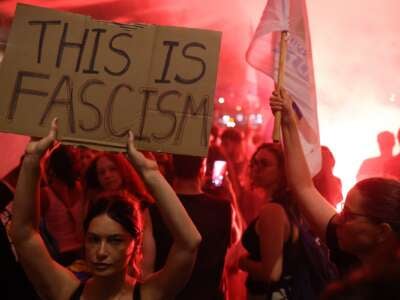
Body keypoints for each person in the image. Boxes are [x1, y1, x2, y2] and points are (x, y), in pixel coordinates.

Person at [10, 119, 201, 300]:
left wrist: (150, 173)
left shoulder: (149, 295)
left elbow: (189, 243)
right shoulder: (65, 290)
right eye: (93, 239)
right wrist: (32, 160)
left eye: (115, 241)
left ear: (134, 244)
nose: (101, 252)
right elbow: (24, 234)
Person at [270, 88, 400, 276]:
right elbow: (303, 188)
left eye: (349, 215)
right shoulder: (349, 248)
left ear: (382, 232)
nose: (338, 218)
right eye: (342, 209)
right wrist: (289, 122)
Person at [238, 143, 332, 300]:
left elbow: (272, 273)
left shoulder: (273, 210)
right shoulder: (289, 205)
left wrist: (241, 262)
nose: (256, 168)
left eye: (265, 164)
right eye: (254, 162)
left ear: (282, 171)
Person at [149, 154, 232, 299]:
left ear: (173, 167)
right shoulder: (222, 208)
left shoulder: (155, 209)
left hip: (168, 295)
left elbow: (147, 267)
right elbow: (225, 254)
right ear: (203, 167)